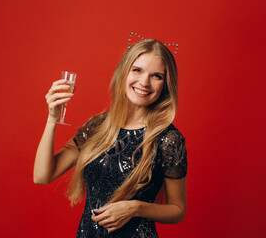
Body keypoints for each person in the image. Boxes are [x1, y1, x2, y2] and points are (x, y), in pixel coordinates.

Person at [34, 39, 188, 238]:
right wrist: (52, 119)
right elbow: (42, 176)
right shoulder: (98, 126)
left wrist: (135, 208)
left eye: (156, 76)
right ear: (124, 72)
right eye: (137, 70)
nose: (144, 82)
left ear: (165, 85)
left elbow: (178, 209)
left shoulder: (168, 139)